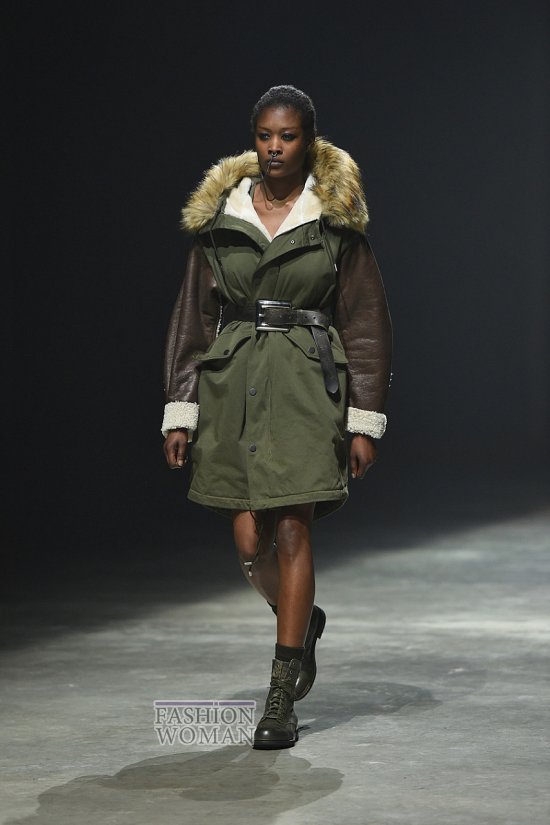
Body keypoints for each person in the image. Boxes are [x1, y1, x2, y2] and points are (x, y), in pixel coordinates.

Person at [161, 85, 392, 749]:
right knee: (247, 541)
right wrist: (180, 410)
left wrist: (363, 419)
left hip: (304, 384)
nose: (273, 148)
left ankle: (281, 694)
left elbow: (366, 323)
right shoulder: (221, 218)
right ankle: (303, 621)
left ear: (308, 142)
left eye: (287, 136)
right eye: (264, 135)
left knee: (292, 529)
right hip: (233, 384)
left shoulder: (334, 221)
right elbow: (193, 318)